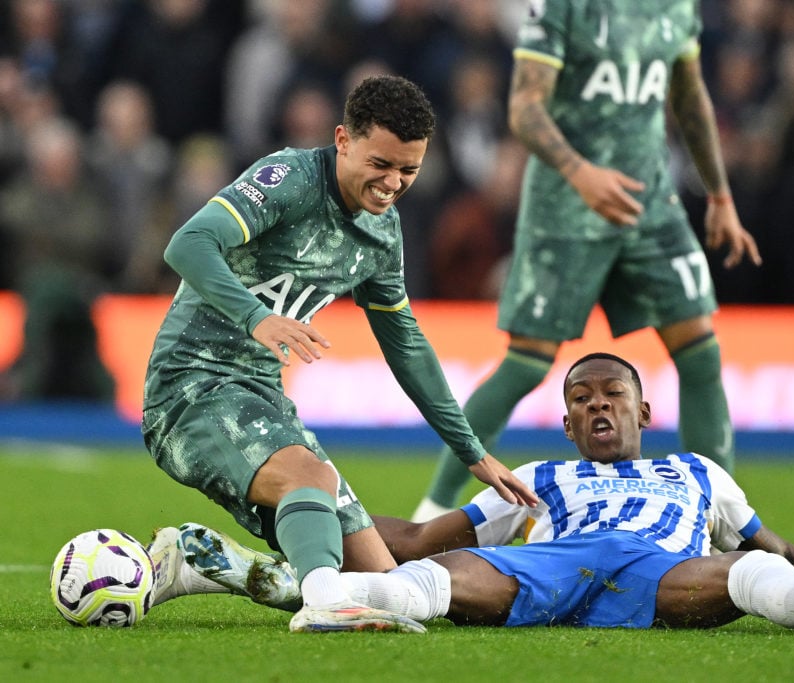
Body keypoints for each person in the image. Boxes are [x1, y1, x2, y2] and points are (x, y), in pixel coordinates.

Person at [151, 353, 794, 632]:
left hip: (657, 573)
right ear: (564, 423)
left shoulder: (702, 473)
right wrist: (326, 494)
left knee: (740, 575)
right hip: (550, 565)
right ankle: (289, 584)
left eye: (611, 396)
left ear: (642, 410)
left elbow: (777, 548)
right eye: (581, 399)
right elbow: (424, 534)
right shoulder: (541, 479)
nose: (597, 406)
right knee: (432, 577)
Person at [140, 75, 537, 635]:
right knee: (311, 477)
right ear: (343, 139)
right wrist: (257, 318)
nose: (392, 183)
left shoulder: (383, 232)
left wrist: (472, 452)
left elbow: (405, 344)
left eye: (409, 170)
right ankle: (323, 606)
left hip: (262, 397)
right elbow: (188, 244)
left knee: (386, 584)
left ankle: (207, 566)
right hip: (191, 387)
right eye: (381, 164)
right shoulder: (288, 179)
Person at [412, 0, 761, 521]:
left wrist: (720, 195)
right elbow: (525, 109)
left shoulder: (676, 8)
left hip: (648, 203)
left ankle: (721, 517)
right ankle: (433, 507)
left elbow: (689, 97)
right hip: (566, 208)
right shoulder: (559, 7)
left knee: (700, 352)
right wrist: (581, 173)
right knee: (526, 363)